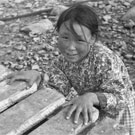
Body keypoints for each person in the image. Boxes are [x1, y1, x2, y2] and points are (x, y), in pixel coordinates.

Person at [7, 3, 135, 135]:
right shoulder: (64, 60)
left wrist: (91, 97)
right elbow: (58, 83)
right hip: (91, 107)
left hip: (118, 113)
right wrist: (38, 76)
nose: (70, 47)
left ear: (93, 38)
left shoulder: (104, 60)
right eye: (65, 37)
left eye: (79, 40)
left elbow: (120, 98)